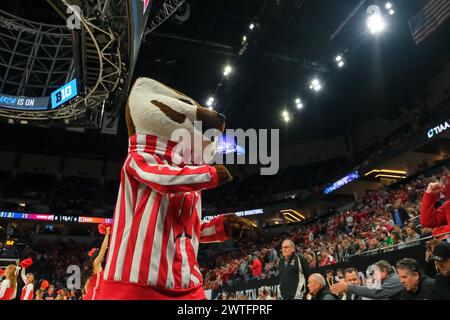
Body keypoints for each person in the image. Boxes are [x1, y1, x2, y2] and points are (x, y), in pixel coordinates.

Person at [330, 260, 403, 300]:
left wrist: (348, 287)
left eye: (375, 274)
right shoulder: (391, 280)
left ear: (384, 271)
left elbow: (377, 292)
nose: (374, 277)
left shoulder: (396, 279)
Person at [82, 225, 110, 300]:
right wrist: (107, 234)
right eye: (101, 255)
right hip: (94, 296)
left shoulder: (95, 266)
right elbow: (103, 249)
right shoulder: (96, 263)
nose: (103, 256)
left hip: (93, 296)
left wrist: (89, 295)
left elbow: (86, 286)